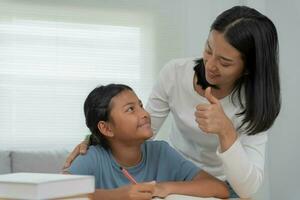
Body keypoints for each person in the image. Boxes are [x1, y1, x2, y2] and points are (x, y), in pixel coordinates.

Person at [64, 6, 281, 198]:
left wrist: (226, 132)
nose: (210, 64)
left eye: (224, 62)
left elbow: (245, 189)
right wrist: (95, 138)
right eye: (208, 49)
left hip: (222, 188)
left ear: (248, 68)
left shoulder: (255, 104)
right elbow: (139, 130)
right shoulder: (175, 74)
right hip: (178, 182)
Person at [64, 84, 229, 200]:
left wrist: (163, 188)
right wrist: (117, 196)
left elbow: (219, 188)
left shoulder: (161, 152)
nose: (144, 113)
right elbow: (56, 194)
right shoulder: (92, 158)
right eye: (130, 109)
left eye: (140, 105)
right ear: (106, 129)